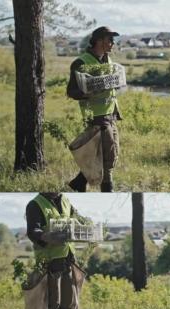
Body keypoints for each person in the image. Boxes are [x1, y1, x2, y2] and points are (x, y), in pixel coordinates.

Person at [66, 26, 122, 192]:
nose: (113, 43)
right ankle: (107, 190)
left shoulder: (108, 60)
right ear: (99, 41)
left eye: (113, 40)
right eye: (109, 40)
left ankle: (78, 183)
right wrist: (88, 92)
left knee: (106, 153)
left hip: (110, 114)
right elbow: (71, 92)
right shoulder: (80, 63)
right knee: (107, 157)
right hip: (96, 116)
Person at [26, 192, 85, 309]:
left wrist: (85, 226)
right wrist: (47, 236)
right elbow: (32, 231)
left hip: (67, 258)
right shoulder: (35, 204)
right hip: (49, 261)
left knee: (66, 300)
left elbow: (77, 219)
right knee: (51, 303)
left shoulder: (65, 200)